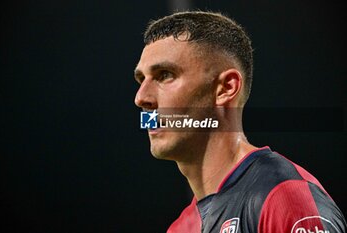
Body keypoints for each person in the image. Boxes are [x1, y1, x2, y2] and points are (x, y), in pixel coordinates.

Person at [133, 11, 346, 233]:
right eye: (141, 79)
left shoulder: (283, 196)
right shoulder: (179, 229)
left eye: (164, 75)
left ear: (225, 88)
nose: (140, 98)